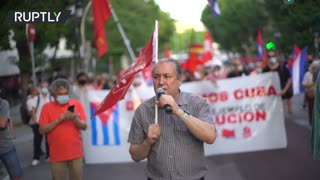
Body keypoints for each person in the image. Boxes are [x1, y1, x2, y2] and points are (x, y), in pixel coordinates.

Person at [128, 59, 217, 180]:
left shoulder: (197, 103)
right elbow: (135, 155)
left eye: (167, 76)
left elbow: (210, 137)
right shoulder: (143, 110)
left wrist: (179, 112)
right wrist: (147, 142)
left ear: (180, 80)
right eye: (156, 77)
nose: (161, 82)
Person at [39, 78, 87, 180]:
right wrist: (59, 120)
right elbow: (42, 130)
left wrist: (74, 119)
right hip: (57, 155)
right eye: (60, 94)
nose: (63, 96)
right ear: (53, 95)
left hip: (76, 153)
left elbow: (84, 126)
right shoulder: (46, 107)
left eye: (66, 93)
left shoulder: (76, 104)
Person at [263, 50, 293, 117]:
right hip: (270, 100)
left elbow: (289, 80)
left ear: (276, 57)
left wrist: (284, 91)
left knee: (283, 118)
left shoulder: (282, 68)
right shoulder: (265, 70)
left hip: (282, 98)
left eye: (273, 56)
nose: (271, 58)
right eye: (269, 56)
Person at [0, 94, 23, 180]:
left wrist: (13, 134)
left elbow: (2, 123)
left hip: (6, 148)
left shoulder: (2, 103)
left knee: (16, 176)